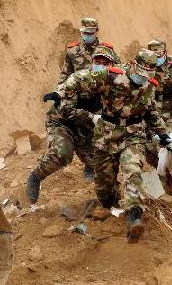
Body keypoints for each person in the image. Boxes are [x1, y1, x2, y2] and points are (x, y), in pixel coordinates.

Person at [90, 49, 169, 243]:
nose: (142, 77)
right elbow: (81, 78)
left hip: (133, 135)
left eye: (147, 74)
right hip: (107, 136)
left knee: (132, 169)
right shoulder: (112, 76)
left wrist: (163, 133)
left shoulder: (148, 86)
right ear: (133, 64)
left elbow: (150, 112)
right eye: (141, 72)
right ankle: (111, 203)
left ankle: (135, 217)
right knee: (103, 185)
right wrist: (61, 93)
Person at [25, 45, 115, 204]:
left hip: (87, 131)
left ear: (112, 65)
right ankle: (35, 177)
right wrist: (92, 117)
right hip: (63, 124)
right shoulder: (80, 79)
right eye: (97, 61)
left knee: (103, 167)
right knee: (63, 153)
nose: (100, 65)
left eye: (105, 63)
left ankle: (112, 203)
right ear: (92, 62)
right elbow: (65, 109)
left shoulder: (116, 86)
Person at [58, 17, 121, 82]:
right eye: (85, 33)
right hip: (80, 88)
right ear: (81, 32)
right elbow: (65, 74)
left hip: (102, 87)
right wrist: (59, 90)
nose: (88, 35)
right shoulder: (72, 50)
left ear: (96, 31)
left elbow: (119, 70)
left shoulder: (107, 49)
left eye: (91, 33)